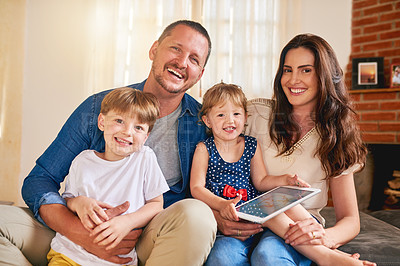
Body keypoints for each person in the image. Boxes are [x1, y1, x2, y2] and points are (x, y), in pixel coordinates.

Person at [0, 20, 216, 266]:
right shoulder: (99, 107)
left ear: (200, 74)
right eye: (176, 49)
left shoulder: (204, 124)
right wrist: (82, 234)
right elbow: (39, 181)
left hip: (146, 238)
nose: (182, 62)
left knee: (198, 216)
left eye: (194, 59)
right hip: (77, 234)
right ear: (154, 49)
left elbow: (213, 189)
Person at [191, 83, 375, 266]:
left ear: (246, 117)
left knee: (281, 203)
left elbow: (261, 181)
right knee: (268, 212)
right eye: (221, 115)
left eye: (236, 114)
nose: (230, 121)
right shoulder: (204, 149)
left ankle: (327, 250)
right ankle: (326, 255)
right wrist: (222, 204)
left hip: (253, 211)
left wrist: (286, 179)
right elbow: (196, 188)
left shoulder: (250, 145)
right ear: (208, 120)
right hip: (231, 214)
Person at [47, 88, 170, 265]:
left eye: (138, 127)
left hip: (117, 260)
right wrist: (79, 202)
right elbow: (68, 200)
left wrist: (127, 222)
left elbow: (156, 204)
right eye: (119, 121)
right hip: (70, 254)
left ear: (146, 136)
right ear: (102, 122)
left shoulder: (145, 158)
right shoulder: (83, 161)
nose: (128, 132)